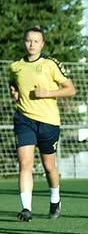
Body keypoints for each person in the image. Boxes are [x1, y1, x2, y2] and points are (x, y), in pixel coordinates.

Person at [9, 27, 75, 221]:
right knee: (25, 163)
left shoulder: (50, 64)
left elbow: (70, 89)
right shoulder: (15, 66)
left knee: (48, 166)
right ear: (24, 42)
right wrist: (14, 93)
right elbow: (13, 85)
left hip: (48, 122)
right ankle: (26, 208)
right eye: (28, 40)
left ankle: (55, 198)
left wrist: (47, 93)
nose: (32, 44)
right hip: (24, 120)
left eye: (36, 41)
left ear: (42, 44)